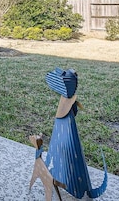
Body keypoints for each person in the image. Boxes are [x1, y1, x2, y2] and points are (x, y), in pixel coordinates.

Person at [44, 68, 108, 199]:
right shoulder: (67, 102)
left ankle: (70, 185)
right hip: (63, 129)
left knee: (67, 153)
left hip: (64, 132)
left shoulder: (67, 106)